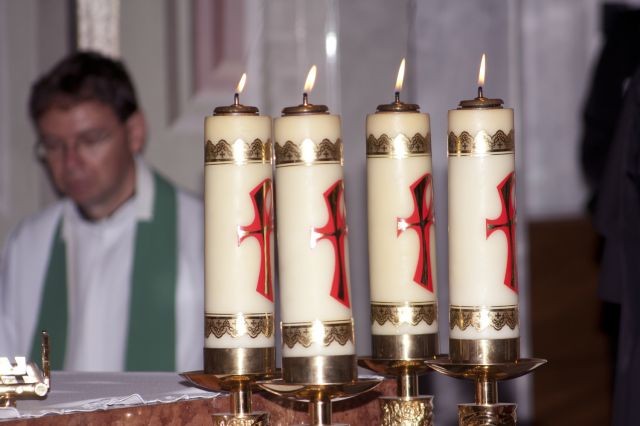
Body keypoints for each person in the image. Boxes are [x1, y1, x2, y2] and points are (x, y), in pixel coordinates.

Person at [0, 51, 203, 372]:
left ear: (134, 132)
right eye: (53, 145)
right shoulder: (29, 243)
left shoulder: (202, 231)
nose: (70, 162)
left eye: (90, 139)